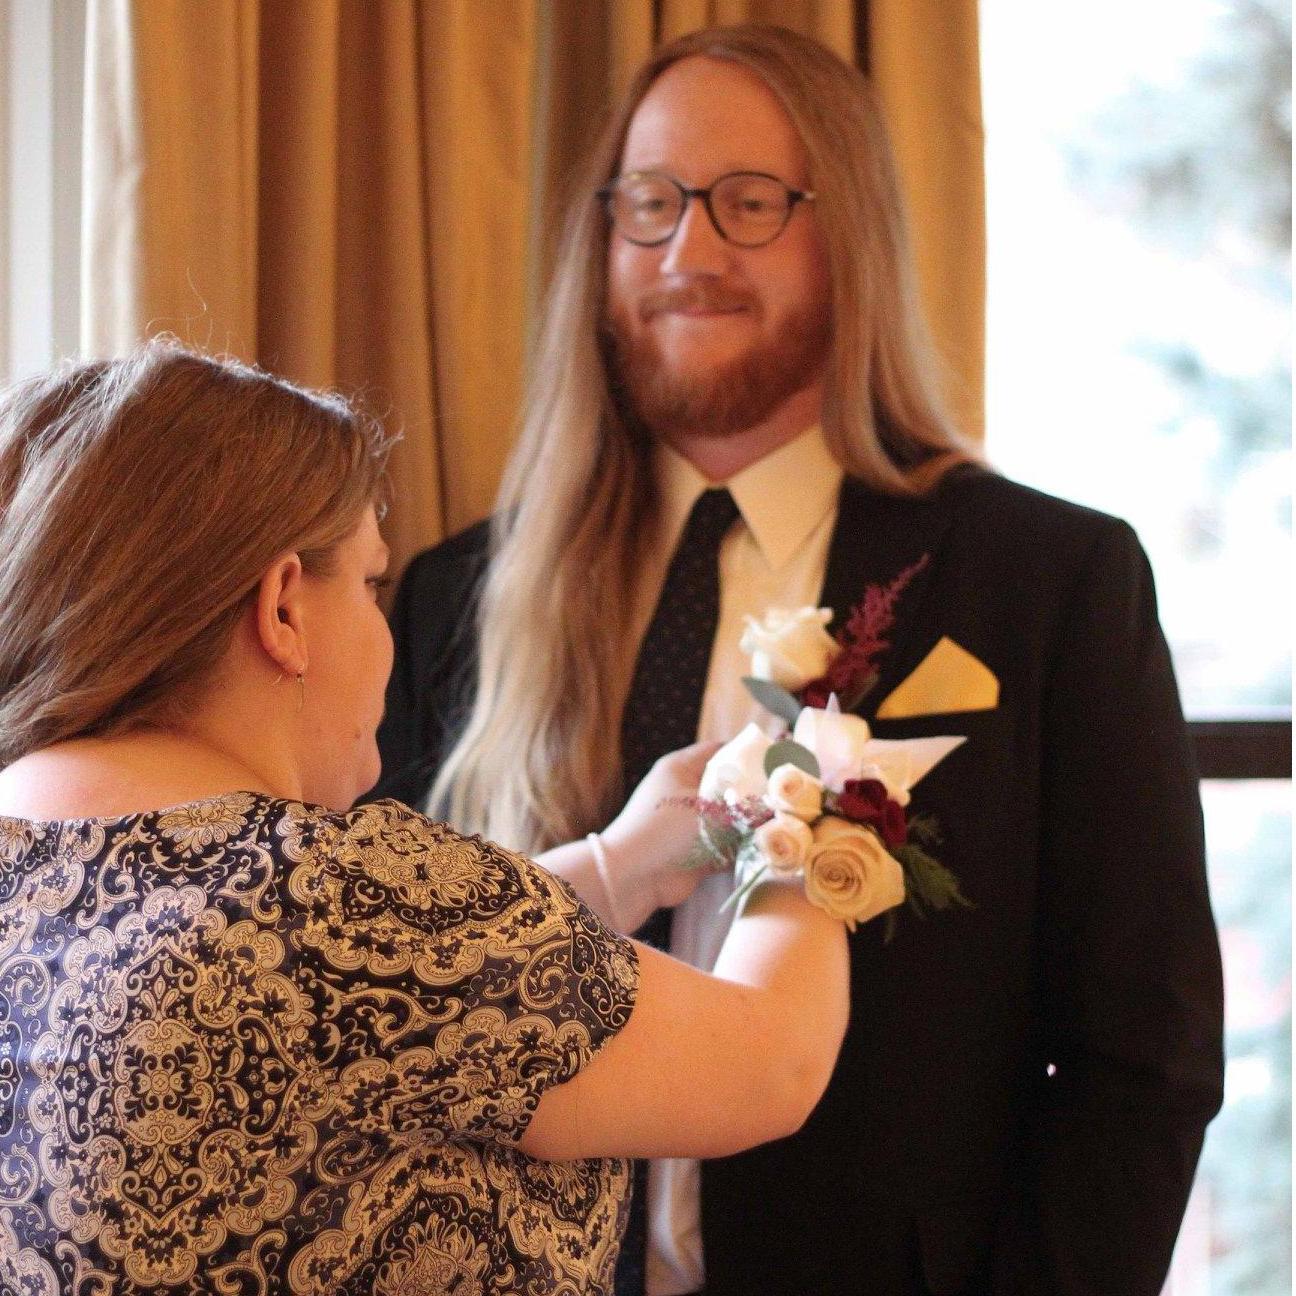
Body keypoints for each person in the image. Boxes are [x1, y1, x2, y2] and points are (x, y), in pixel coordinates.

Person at [373, 23, 1225, 1296]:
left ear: (853, 234)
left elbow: (1140, 1058)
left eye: (750, 204)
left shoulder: (1049, 586)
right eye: (649, 204)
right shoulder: (450, 601)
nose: (689, 251)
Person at [0, 341, 851, 1296]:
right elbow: (768, 1063)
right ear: (283, 607)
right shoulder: (339, 895)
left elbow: (390, 1009)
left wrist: (616, 868)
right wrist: (813, 818)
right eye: (369, 584)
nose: (386, 626)